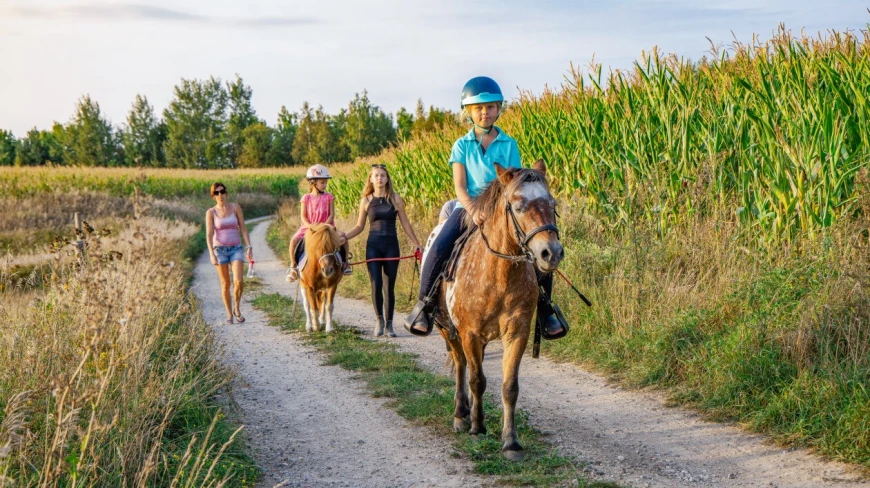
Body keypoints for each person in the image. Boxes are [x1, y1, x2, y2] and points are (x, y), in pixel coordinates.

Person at [404, 76, 569, 340]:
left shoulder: (509, 144)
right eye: (479, 108)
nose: (485, 112)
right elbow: (460, 186)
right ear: (468, 112)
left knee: (537, 248)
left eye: (490, 107)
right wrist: (472, 209)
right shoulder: (461, 145)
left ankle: (546, 309)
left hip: (503, 211)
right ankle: (425, 305)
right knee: (441, 245)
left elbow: (513, 183)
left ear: (498, 109)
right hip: (468, 208)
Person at [343, 164, 423, 337]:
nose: (379, 178)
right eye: (376, 175)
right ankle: (379, 320)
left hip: (391, 246)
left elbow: (406, 223)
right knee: (375, 284)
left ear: (387, 179)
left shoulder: (395, 198)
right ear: (371, 179)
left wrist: (417, 243)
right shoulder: (366, 201)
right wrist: (344, 237)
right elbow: (359, 226)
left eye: (382, 175)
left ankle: (389, 324)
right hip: (373, 246)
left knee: (389, 287)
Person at [287, 164, 352, 282]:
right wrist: (311, 226)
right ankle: (293, 267)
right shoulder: (306, 198)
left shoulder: (329, 197)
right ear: (313, 183)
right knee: (293, 241)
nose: (325, 185)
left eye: (325, 182)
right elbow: (303, 216)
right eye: (322, 182)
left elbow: (332, 214)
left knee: (344, 238)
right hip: (309, 228)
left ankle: (345, 262)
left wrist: (325, 226)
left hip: (328, 227)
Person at [206, 182, 253, 324]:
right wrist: (211, 254)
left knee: (238, 281)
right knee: (225, 283)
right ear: (213, 196)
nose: (220, 195)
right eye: (217, 193)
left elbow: (243, 228)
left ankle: (237, 308)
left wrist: (249, 245)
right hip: (219, 250)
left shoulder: (235, 207)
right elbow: (209, 234)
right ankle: (229, 315)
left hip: (236, 248)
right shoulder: (211, 212)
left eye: (222, 191)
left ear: (226, 193)